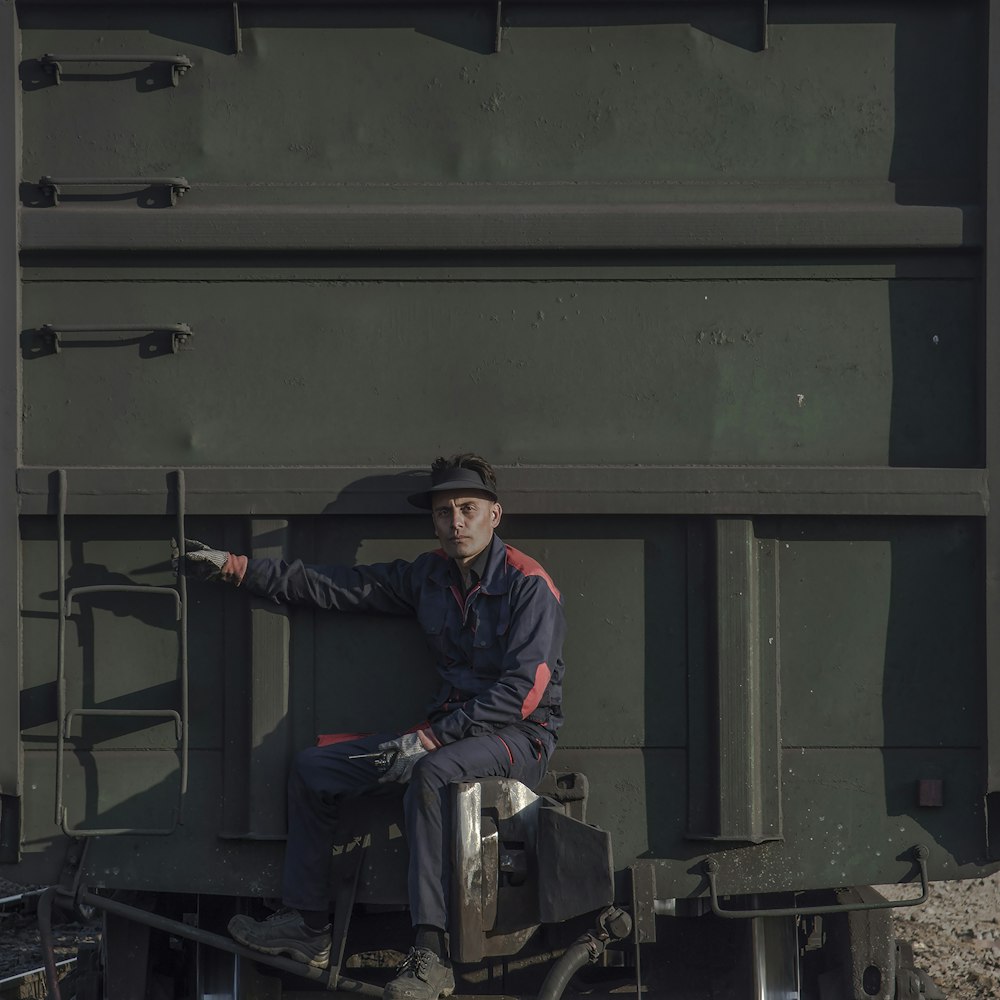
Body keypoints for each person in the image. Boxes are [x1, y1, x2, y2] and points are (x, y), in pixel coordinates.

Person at [175, 454, 565, 1000]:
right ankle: (307, 926)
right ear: (433, 522)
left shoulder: (529, 585)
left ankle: (432, 957)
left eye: (468, 509)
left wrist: (432, 738)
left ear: (494, 515)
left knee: (431, 773)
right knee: (314, 768)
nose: (456, 520)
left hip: (519, 737)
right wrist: (238, 568)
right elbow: (339, 586)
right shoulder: (427, 575)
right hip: (444, 732)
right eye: (445, 511)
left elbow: (523, 693)